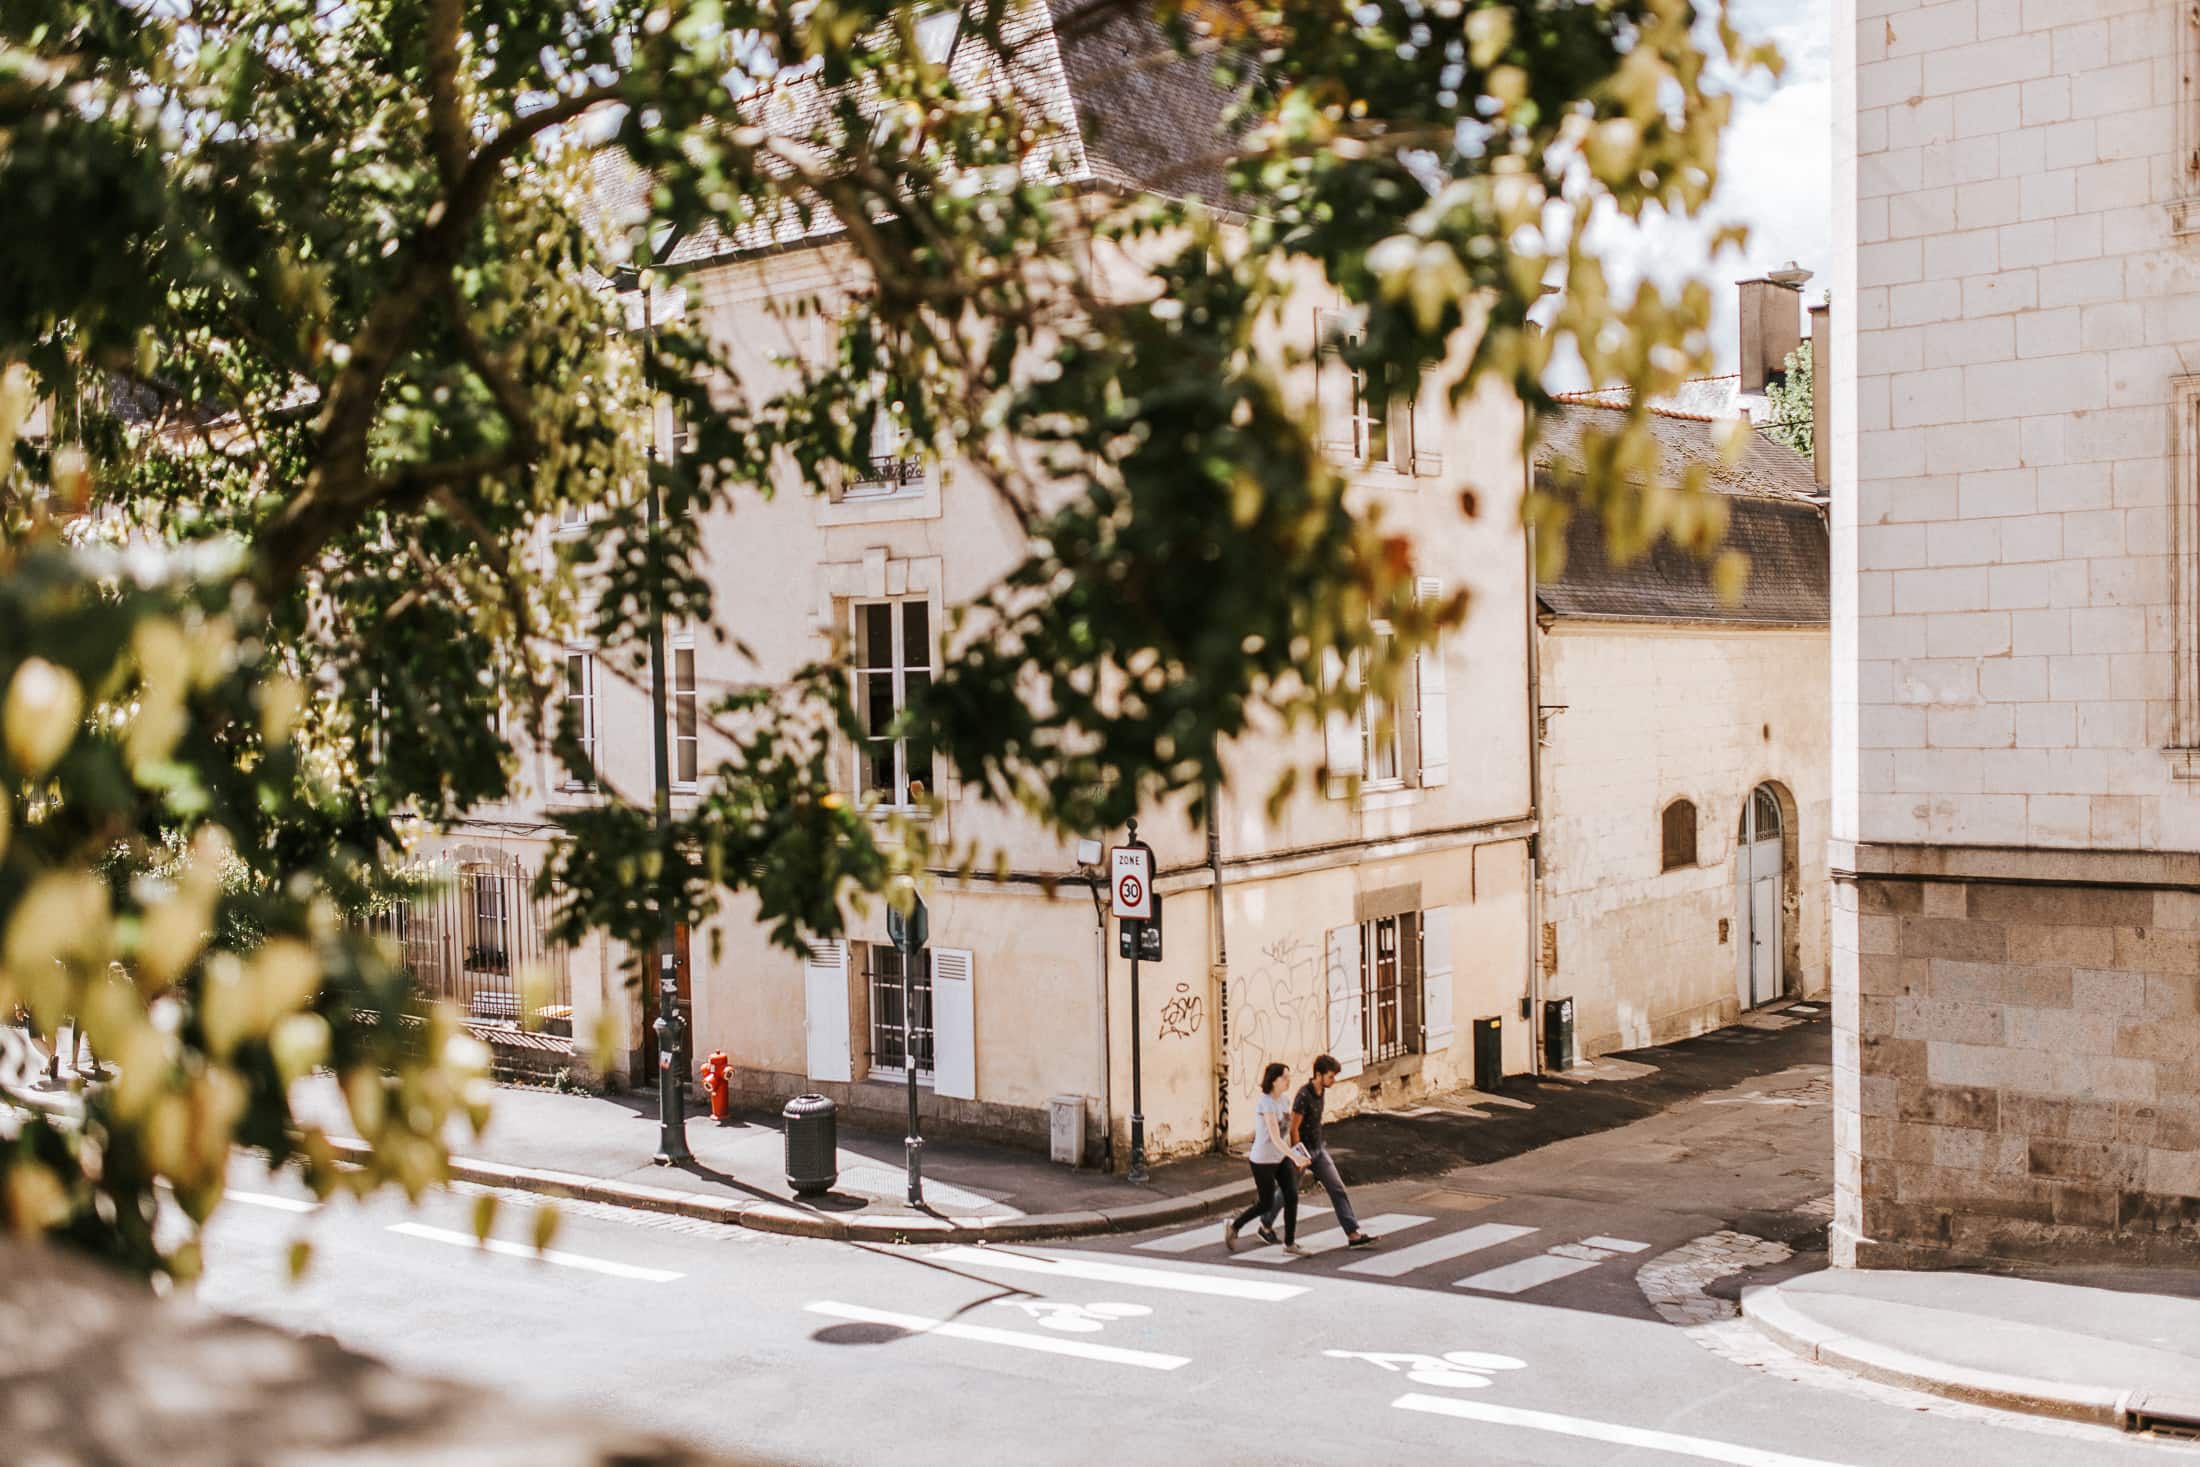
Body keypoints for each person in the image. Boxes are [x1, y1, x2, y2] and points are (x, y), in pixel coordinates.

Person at [1293, 1054, 1376, 1247]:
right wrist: (1298, 1156)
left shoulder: (1321, 1091)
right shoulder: (1303, 1096)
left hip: (1318, 1150)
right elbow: (1293, 1128)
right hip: (1303, 1152)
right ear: (1318, 1074)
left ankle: (1353, 1234)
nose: (1333, 1080)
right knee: (1287, 1193)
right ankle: (1265, 1224)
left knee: (1337, 1189)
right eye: (1331, 1076)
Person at [1224, 1062, 1306, 1255]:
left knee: (1292, 1196)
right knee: (1266, 1203)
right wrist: (1294, 1156)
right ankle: (1235, 1226)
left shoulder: (1285, 1100)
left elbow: (1285, 1134)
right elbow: (1275, 1136)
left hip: (1280, 1158)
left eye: (1288, 1076)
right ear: (1274, 1080)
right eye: (1284, 1077)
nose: (1288, 1080)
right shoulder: (1265, 1103)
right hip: (1262, 1161)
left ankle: (1290, 1243)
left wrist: (1297, 1152)